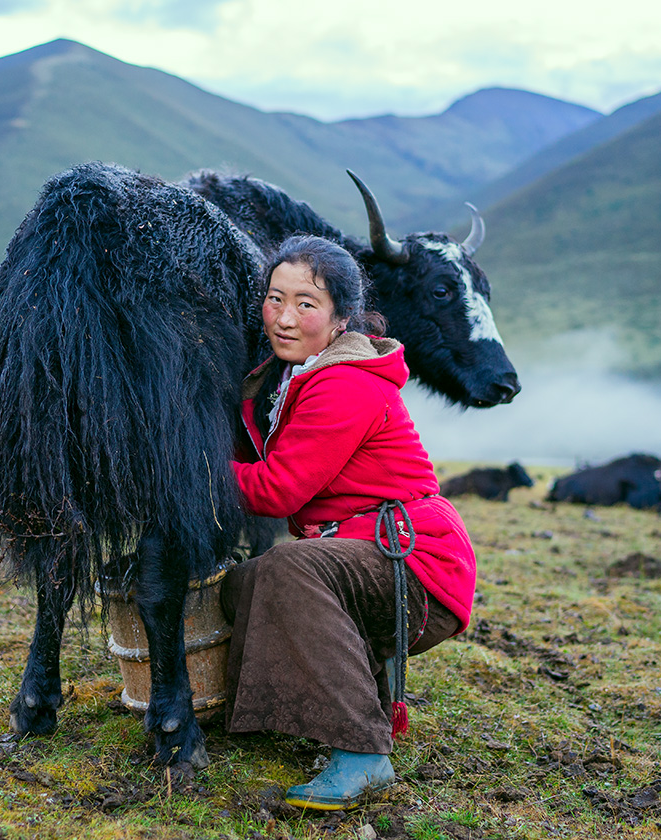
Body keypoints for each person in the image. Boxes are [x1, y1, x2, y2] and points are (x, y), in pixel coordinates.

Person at [221, 234, 477, 810]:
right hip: (371, 553)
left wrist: (193, 471)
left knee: (286, 568)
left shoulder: (345, 382)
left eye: (307, 304)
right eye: (274, 298)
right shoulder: (298, 374)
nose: (284, 318)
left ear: (341, 318)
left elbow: (279, 488)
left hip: (416, 564)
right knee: (244, 585)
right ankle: (302, 705)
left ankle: (363, 753)